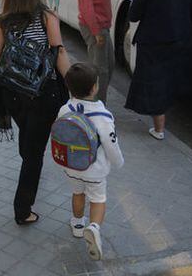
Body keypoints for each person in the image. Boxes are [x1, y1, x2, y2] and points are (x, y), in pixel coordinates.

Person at [0, 0, 71, 225]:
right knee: (33, 156)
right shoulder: (46, 17)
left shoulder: (3, 21)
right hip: (42, 95)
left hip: (13, 94)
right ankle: (22, 210)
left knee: (29, 141)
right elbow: (58, 52)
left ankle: (29, 165)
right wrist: (76, 88)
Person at [57, 63, 124, 260]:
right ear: (94, 87)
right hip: (95, 169)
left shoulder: (64, 109)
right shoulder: (103, 115)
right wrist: (118, 162)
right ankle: (94, 228)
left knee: (77, 193)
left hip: (71, 166)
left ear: (69, 88)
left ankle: (78, 224)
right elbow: (111, 144)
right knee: (97, 199)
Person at [124, 0, 192, 140]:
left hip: (153, 42)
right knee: (168, 81)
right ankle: (160, 124)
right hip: (179, 39)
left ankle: (159, 128)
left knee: (155, 83)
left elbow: (134, 15)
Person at [76, 0, 118, 104]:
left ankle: (97, 103)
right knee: (101, 71)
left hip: (103, 27)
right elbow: (86, 7)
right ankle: (97, 106)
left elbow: (100, 0)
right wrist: (96, 32)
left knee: (109, 65)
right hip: (95, 27)